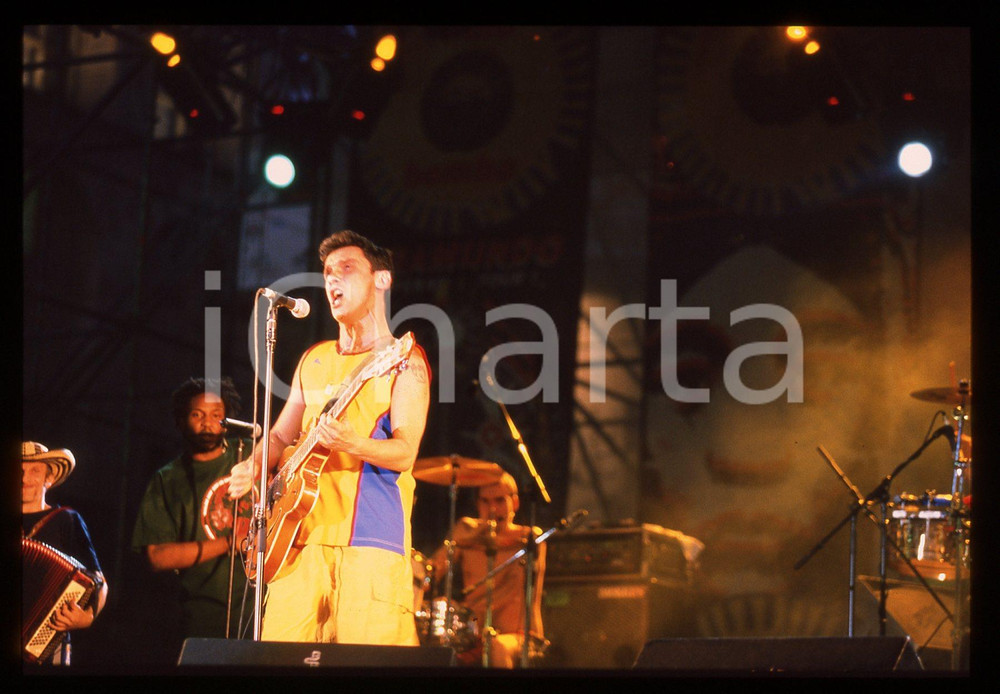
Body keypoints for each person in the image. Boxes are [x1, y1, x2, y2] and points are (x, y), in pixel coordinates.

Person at [227, 228, 431, 646]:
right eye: (326, 272)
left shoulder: (403, 360)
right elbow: (282, 435)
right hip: (297, 542)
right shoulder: (313, 358)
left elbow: (405, 452)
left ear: (382, 279)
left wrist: (351, 443)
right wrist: (253, 466)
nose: (333, 279)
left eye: (347, 268)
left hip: (371, 542)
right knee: (276, 661)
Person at [131, 376, 253, 645]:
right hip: (200, 617)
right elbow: (158, 556)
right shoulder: (168, 479)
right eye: (197, 414)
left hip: (262, 609)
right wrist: (229, 543)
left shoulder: (250, 456)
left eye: (216, 415)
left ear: (227, 420)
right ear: (180, 420)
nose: (207, 422)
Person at [429, 471, 546, 668]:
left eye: (500, 500)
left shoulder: (530, 537)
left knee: (497, 646)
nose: (492, 508)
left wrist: (473, 538)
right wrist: (459, 539)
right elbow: (431, 573)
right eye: (485, 501)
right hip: (472, 633)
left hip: (520, 636)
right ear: (478, 504)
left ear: (514, 503)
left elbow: (507, 541)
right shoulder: (465, 530)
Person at [22, 441, 108, 666]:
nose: (24, 478)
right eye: (18, 470)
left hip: (45, 641)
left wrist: (87, 617)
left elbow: (99, 581)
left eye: (35, 471)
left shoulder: (66, 520)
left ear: (48, 479)